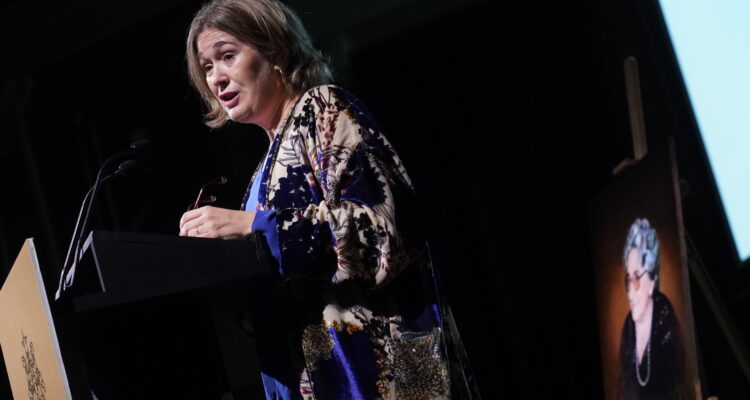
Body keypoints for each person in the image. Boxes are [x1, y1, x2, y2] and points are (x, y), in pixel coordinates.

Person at [179, 1, 476, 399]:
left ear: (275, 50)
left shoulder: (323, 108)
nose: (216, 78)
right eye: (207, 67)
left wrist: (253, 226)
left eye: (227, 56)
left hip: (371, 375)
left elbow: (384, 231)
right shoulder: (259, 174)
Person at [618, 218, 683, 399]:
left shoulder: (665, 320)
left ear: (652, 281)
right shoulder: (628, 328)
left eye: (637, 277)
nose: (631, 291)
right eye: (628, 279)